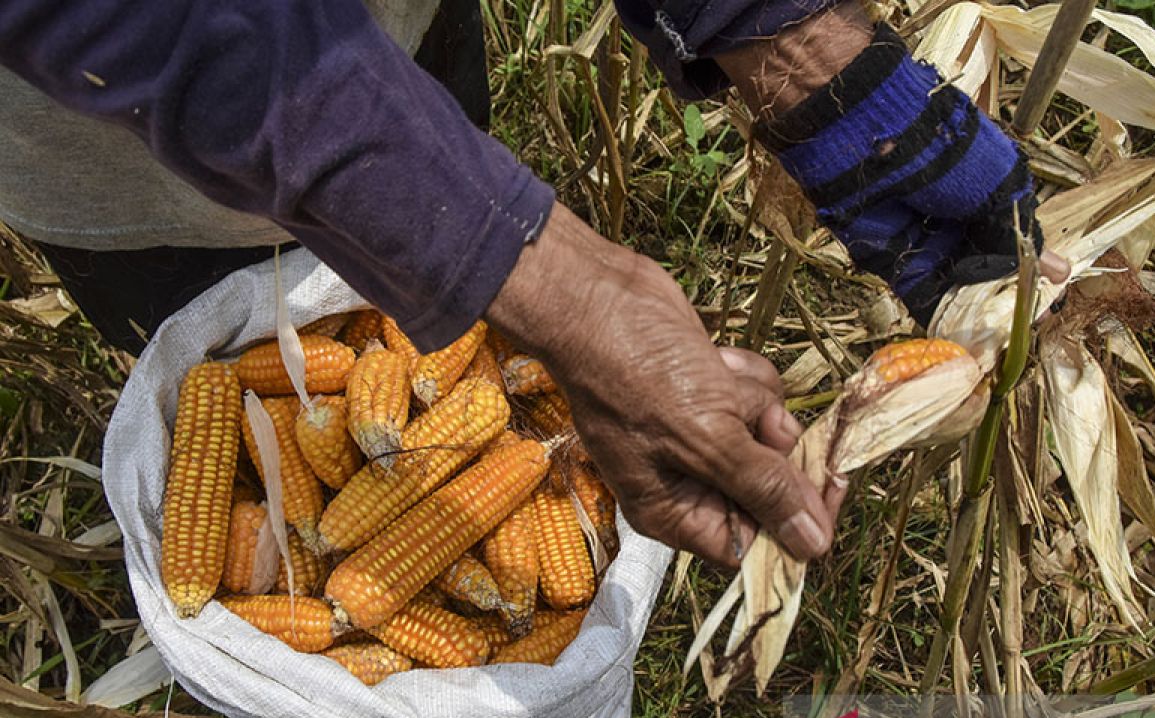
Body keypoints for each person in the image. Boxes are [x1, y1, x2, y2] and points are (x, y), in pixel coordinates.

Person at [0, 0, 1065, 569]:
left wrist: (792, 50)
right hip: (98, 125)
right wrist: (558, 283)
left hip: (390, 37)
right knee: (208, 355)